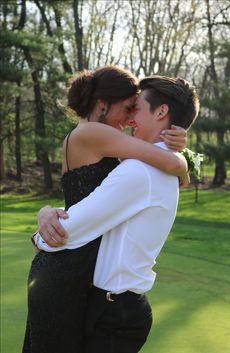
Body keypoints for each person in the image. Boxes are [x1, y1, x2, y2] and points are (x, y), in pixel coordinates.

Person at [22, 66, 188, 353]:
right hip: (67, 264)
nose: (129, 119)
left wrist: (47, 212)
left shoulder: (108, 142)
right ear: (102, 105)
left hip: (77, 268)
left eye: (135, 109)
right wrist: (181, 162)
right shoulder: (96, 132)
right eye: (127, 108)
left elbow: (98, 201)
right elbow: (168, 164)